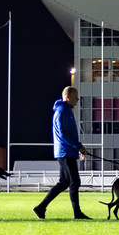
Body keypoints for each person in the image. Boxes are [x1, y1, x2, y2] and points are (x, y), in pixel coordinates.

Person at [32, 86, 91, 220]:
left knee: (64, 182)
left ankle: (41, 208)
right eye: (76, 96)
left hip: (66, 151)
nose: (78, 98)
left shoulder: (66, 110)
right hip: (66, 152)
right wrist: (78, 146)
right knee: (74, 182)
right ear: (67, 97)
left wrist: (77, 147)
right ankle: (77, 214)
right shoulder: (63, 110)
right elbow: (63, 134)